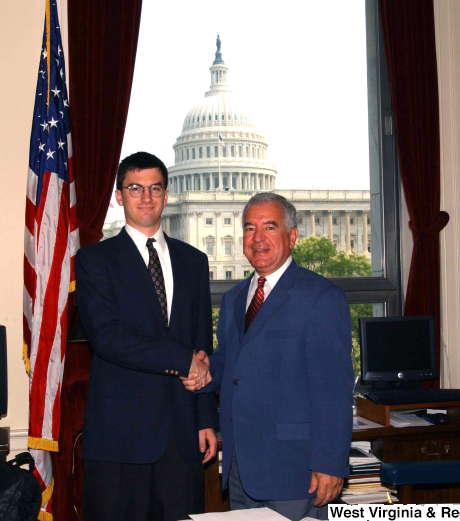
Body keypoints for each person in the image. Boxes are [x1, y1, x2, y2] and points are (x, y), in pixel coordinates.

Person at [182, 192, 354, 520]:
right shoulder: (234, 298)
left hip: (296, 471)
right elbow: (229, 362)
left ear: (291, 236)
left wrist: (330, 463)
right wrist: (203, 371)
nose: (257, 238)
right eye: (249, 228)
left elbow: (332, 390)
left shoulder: (320, 297)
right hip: (240, 468)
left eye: (269, 227)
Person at [74, 151, 217, 521]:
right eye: (135, 188)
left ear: (167, 194)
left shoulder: (194, 261)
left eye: (155, 188)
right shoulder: (94, 260)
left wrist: (205, 418)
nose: (147, 197)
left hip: (183, 435)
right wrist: (181, 359)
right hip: (120, 438)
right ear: (118, 196)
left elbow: (203, 345)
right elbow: (108, 337)